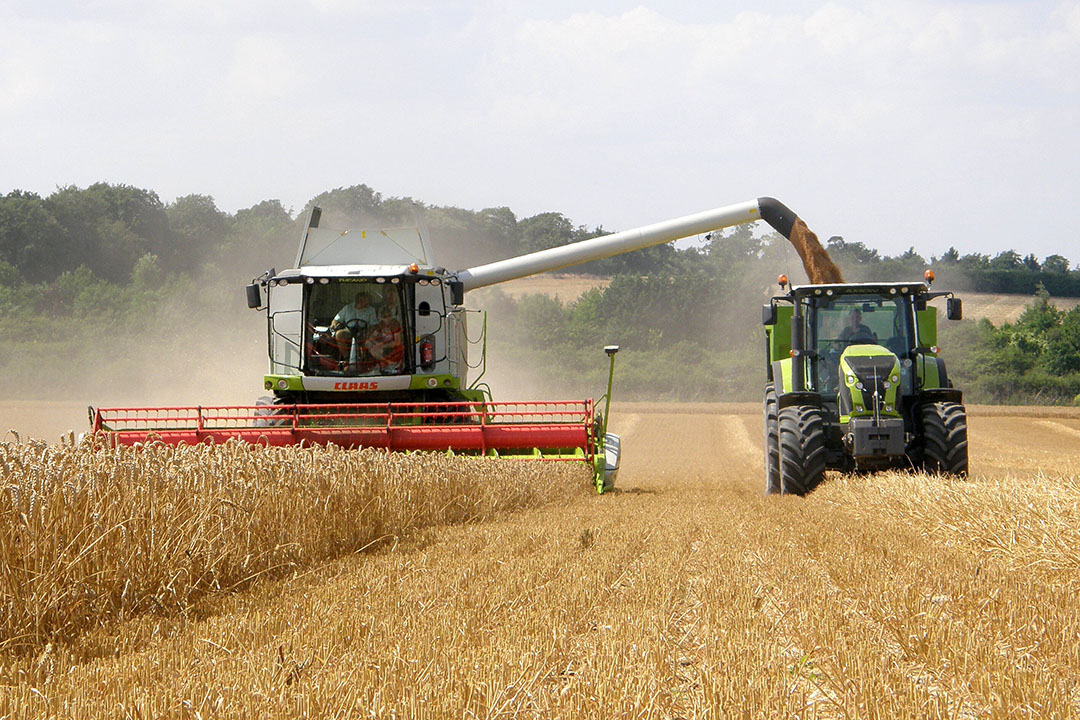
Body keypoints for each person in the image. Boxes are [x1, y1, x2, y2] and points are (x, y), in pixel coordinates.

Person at [330, 291, 377, 360]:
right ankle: (346, 358)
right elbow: (336, 320)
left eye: (366, 300)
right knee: (339, 334)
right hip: (349, 331)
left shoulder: (371, 310)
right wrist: (334, 324)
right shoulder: (347, 308)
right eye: (363, 300)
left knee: (367, 339)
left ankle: (363, 359)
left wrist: (368, 333)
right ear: (358, 300)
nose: (365, 302)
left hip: (363, 331)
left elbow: (374, 324)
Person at [365, 308, 405, 373]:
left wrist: (382, 345)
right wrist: (375, 342)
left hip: (394, 349)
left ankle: (389, 363)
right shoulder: (381, 324)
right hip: (383, 348)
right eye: (384, 317)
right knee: (368, 344)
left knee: (375, 350)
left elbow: (397, 342)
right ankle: (384, 362)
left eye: (388, 316)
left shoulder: (394, 324)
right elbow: (372, 337)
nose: (387, 319)